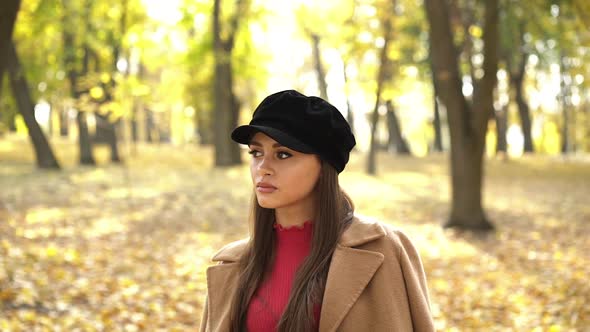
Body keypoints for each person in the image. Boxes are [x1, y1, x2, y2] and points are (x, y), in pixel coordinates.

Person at [199, 90, 434, 332]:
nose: (263, 168)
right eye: (256, 152)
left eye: (282, 154)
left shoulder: (383, 249)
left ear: (324, 166)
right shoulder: (233, 264)